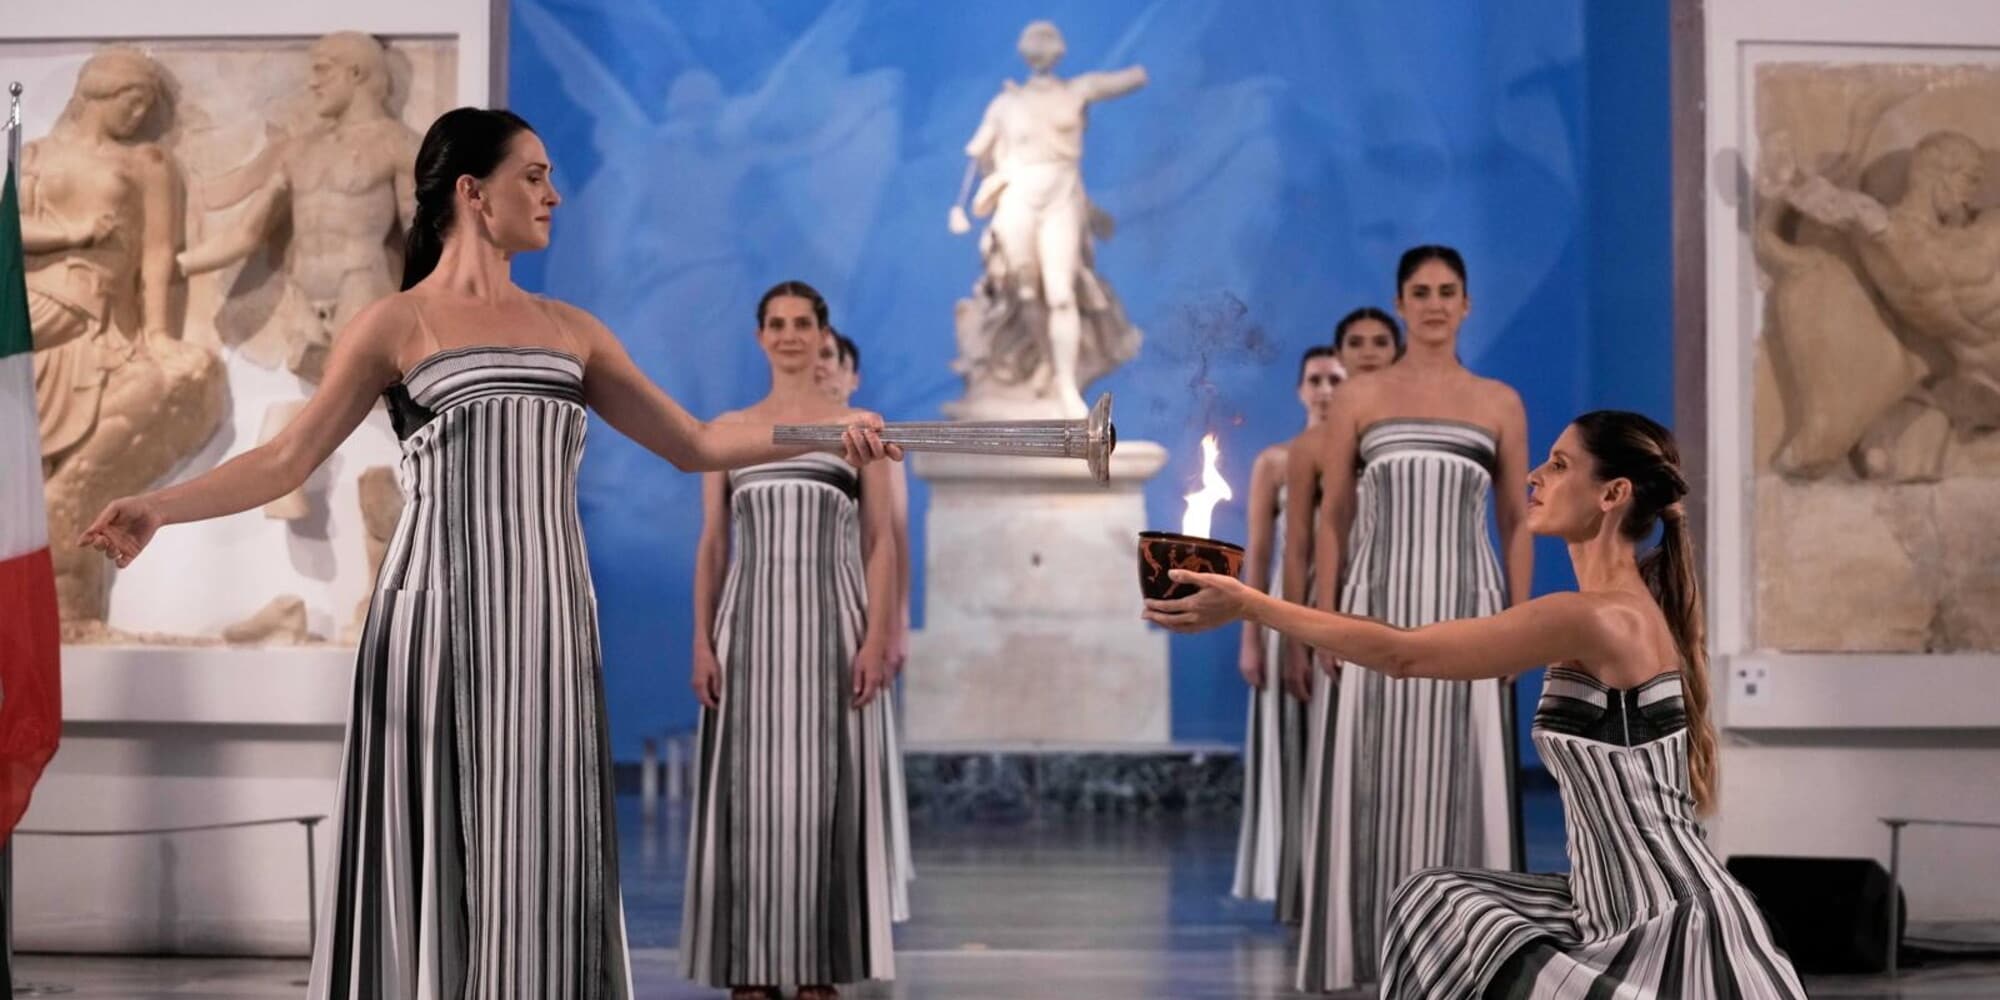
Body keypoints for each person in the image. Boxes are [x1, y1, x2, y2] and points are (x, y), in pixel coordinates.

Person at [77, 108, 894, 1000]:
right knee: (448, 845)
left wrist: (827, 430)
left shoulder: (571, 329)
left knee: (545, 842)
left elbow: (696, 442)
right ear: (473, 192)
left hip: (549, 624)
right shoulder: (398, 323)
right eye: (534, 176)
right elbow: (284, 460)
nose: (554, 194)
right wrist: (159, 505)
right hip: (436, 622)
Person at [1145, 410, 1808, 999]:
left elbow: (1405, 655)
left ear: (1612, 494)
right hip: (1608, 905)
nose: (1535, 477)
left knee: (1437, 909)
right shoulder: (1613, 613)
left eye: (1560, 464)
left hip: (1667, 926)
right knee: (1434, 901)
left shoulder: (1600, 618)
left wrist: (1250, 604)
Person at [1294, 247, 1530, 992]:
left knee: (1468, 776)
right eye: (1420, 292)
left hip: (1472, 612)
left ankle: (1470, 957)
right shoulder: (1360, 398)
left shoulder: (1499, 402)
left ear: (1467, 304)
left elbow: (1520, 521)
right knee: (1369, 776)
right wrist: (1325, 618)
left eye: (1447, 291)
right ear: (1401, 304)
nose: (1434, 303)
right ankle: (1364, 953)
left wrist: (1522, 625)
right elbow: (1333, 518)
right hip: (1374, 609)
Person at [682, 287, 901, 999]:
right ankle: (748, 967)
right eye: (776, 325)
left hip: (829, 633)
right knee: (750, 804)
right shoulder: (728, 431)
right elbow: (714, 544)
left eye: (802, 324)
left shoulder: (856, 429)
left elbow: (879, 539)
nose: (789, 335)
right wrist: (701, 642)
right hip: (746, 634)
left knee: (820, 802)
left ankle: (816, 968)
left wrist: (875, 636)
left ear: (822, 335)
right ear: (759, 338)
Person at [1232, 344, 1345, 921]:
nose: (1325, 390)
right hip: (1285, 609)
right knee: (1292, 745)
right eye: (1316, 379)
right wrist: (1251, 636)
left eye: (1335, 379)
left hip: (1349, 611)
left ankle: (1344, 877)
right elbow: (1258, 550)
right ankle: (1295, 882)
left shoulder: (1365, 458)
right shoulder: (1275, 461)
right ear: (1301, 389)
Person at [812, 325, 917, 922]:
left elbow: (892, 537)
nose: (821, 366)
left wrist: (893, 623)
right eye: (817, 356)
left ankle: (866, 885)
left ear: (852, 376)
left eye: (832, 358)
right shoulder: (776, 432)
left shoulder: (871, 443)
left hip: (856, 611)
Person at [1278, 308, 1403, 697]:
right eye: (1356, 343)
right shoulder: (1310, 447)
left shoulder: (1417, 433)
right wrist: (1299, 641)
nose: (1368, 353)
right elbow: (1298, 551)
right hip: (1346, 598)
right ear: (1340, 352)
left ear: (1398, 351)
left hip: (1419, 588)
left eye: (1380, 342)